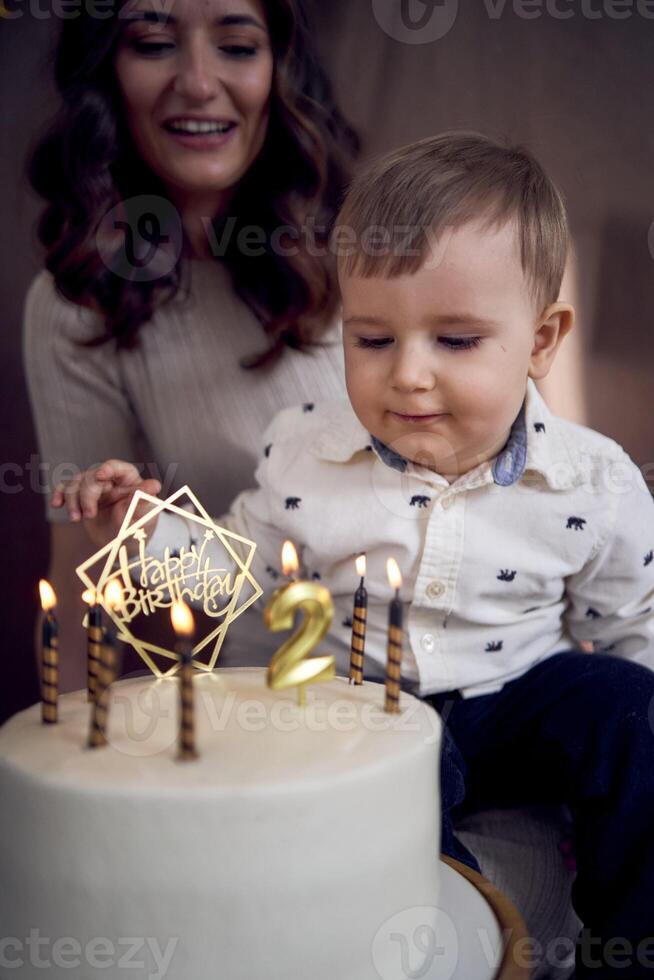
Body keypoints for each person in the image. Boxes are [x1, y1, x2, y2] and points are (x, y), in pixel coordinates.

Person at [56, 131, 654, 978]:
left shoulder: (592, 481)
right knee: (400, 792)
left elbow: (633, 619)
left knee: (632, 707)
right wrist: (141, 530)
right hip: (368, 712)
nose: (407, 375)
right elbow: (237, 578)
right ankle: (452, 937)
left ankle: (630, 944)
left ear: (542, 341)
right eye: (373, 340)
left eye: (455, 341)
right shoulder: (306, 454)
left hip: (521, 695)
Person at [24, 0, 359, 691]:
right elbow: (88, 581)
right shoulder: (80, 304)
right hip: (266, 692)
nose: (199, 82)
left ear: (281, 68)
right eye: (152, 43)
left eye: (237, 45)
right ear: (106, 70)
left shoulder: (376, 253)